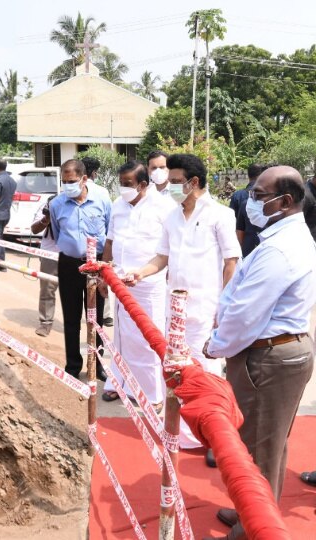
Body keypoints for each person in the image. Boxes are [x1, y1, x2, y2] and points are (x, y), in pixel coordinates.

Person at [204, 166, 316, 540]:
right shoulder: (284, 237)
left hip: (269, 356)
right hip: (274, 352)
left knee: (260, 449)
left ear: (285, 202)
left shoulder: (282, 248)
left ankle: (253, 529)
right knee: (264, 441)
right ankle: (246, 514)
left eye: (258, 195)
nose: (250, 200)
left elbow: (246, 313)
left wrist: (216, 344)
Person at [126, 153, 241, 449]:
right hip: (175, 308)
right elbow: (162, 257)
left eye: (176, 182)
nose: (172, 187)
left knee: (206, 371)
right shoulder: (172, 216)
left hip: (207, 308)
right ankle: (180, 433)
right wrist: (139, 273)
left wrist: (223, 306)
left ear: (193, 182)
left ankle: (215, 436)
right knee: (176, 369)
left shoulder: (220, 215)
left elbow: (231, 262)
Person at [101, 161, 174, 409]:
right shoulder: (117, 206)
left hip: (148, 285)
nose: (123, 188)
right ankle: (117, 383)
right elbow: (110, 241)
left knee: (147, 340)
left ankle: (151, 395)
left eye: (128, 184)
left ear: (143, 185)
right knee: (121, 336)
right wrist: (104, 273)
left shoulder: (164, 207)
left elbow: (171, 248)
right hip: (119, 282)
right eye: (120, 183)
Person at [50, 159, 111, 381]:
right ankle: (73, 366)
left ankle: (97, 365)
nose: (67, 185)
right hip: (69, 264)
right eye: (64, 181)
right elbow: (57, 235)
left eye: (72, 181)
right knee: (71, 317)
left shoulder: (102, 200)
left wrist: (105, 265)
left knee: (95, 319)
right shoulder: (57, 204)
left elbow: (110, 232)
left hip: (96, 266)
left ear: (84, 179)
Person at [82, 156, 114, 326]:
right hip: (99, 250)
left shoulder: (69, 191)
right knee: (99, 286)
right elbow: (110, 221)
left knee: (86, 290)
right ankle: (100, 321)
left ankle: (92, 321)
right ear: (94, 173)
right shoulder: (103, 192)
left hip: (77, 251)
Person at [30, 195, 59, 337]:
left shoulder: (75, 206)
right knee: (47, 290)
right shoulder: (48, 203)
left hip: (72, 255)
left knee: (73, 293)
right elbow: (34, 229)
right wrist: (46, 219)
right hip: (50, 254)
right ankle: (46, 322)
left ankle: (74, 325)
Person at [231, 164, 267, 258]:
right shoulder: (270, 198)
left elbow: (234, 225)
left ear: (248, 175)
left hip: (245, 247)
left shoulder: (237, 196)